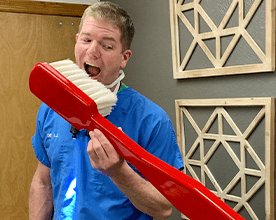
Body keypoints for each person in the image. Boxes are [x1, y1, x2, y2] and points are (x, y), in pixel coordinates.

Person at [29, 2, 183, 220]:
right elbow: (43, 181)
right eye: (86, 40)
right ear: (77, 41)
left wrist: (119, 173)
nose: (92, 51)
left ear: (124, 57)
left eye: (107, 46)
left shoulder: (152, 120)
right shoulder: (50, 108)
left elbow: (164, 208)